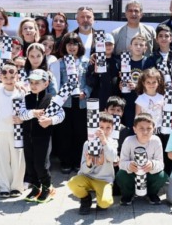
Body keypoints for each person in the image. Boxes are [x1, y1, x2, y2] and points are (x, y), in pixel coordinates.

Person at [18, 69, 65, 203]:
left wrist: (50, 121)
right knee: (30, 163)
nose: (33, 85)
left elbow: (61, 115)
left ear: (46, 83)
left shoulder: (52, 99)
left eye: (37, 82)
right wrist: (33, 113)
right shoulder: (26, 98)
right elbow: (21, 115)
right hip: (28, 136)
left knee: (41, 164)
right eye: (31, 82)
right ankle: (35, 187)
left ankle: (47, 187)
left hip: (43, 137)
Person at [49, 32, 91, 173]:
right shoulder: (59, 63)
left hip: (81, 103)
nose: (72, 47)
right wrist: (62, 95)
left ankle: (79, 161)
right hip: (65, 103)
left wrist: (85, 92)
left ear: (80, 46)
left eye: (75, 44)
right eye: (69, 44)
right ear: (64, 45)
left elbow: (90, 81)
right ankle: (65, 161)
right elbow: (55, 83)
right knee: (64, 133)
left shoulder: (86, 62)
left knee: (80, 133)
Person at [69, 112, 121, 213]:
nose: (104, 131)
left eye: (108, 128)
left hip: (104, 179)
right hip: (88, 177)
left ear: (112, 129)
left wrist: (104, 142)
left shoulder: (113, 142)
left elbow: (114, 158)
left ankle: (100, 196)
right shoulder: (88, 143)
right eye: (101, 127)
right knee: (72, 183)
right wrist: (89, 163)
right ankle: (85, 199)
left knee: (105, 203)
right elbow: (83, 169)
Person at [0, 61, 26, 197]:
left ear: (17, 76)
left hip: (17, 129)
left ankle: (17, 185)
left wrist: (22, 119)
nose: (9, 80)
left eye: (12, 77)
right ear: (0, 77)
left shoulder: (22, 91)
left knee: (18, 157)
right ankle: (4, 186)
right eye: (5, 78)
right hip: (0, 129)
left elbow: (27, 109)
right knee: (2, 158)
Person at [114, 113, 166, 207]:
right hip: (133, 172)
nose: (145, 132)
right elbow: (121, 163)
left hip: (148, 171)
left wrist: (152, 164)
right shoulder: (128, 140)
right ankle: (128, 194)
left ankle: (151, 193)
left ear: (153, 129)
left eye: (149, 128)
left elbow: (161, 163)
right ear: (134, 129)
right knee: (121, 174)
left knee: (162, 176)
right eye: (141, 128)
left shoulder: (156, 140)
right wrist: (129, 165)